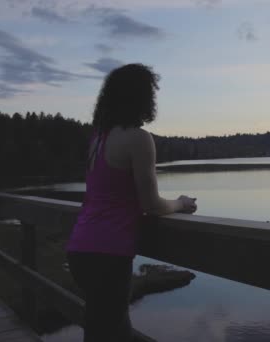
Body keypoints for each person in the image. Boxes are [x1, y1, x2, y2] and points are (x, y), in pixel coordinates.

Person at [66, 63, 197, 342]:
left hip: (79, 249)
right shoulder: (138, 139)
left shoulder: (98, 140)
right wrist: (180, 203)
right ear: (142, 98)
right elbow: (151, 204)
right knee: (112, 332)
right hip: (108, 254)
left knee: (101, 329)